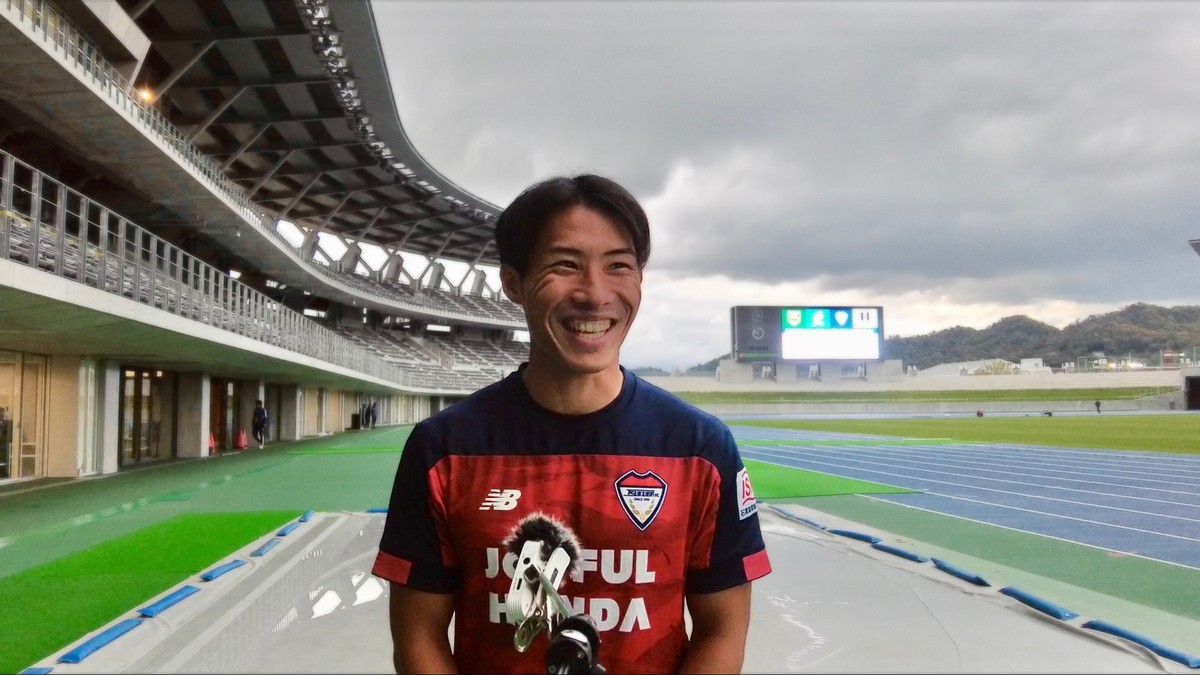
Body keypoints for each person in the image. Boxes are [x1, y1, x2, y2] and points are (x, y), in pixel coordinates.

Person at [372, 174, 771, 675]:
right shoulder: (443, 449)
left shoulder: (701, 448)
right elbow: (419, 636)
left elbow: (722, 631)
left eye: (619, 266)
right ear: (513, 282)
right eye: (565, 265)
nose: (595, 294)